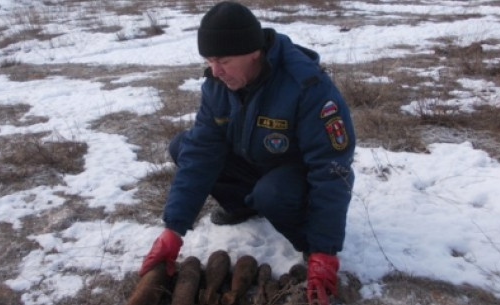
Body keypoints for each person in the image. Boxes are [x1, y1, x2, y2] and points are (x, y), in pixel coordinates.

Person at [139, 2, 355, 305]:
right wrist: (173, 228)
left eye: (224, 60)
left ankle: (308, 238)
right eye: (210, 60)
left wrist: (324, 249)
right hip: (255, 162)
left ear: (254, 52)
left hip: (295, 179)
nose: (215, 71)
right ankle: (242, 206)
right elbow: (201, 153)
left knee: (273, 193)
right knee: (183, 145)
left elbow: (331, 169)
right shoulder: (218, 86)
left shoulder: (307, 87)